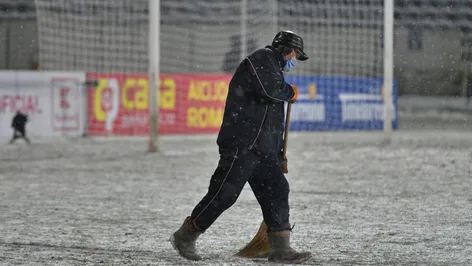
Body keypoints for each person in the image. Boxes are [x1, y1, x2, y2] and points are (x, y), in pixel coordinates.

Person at [170, 30, 311, 264]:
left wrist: (278, 155)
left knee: (277, 191)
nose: (296, 59)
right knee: (224, 194)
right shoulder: (261, 59)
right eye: (296, 54)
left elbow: (272, 123)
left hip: (263, 150)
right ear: (287, 50)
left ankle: (280, 248)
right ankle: (186, 235)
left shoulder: (275, 69)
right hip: (242, 145)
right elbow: (270, 90)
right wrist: (289, 93)